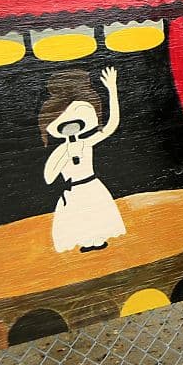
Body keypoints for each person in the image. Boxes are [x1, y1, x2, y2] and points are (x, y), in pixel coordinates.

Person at [41, 67, 126, 252]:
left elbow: (111, 126)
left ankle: (98, 240)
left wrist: (112, 90)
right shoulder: (60, 150)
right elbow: (48, 177)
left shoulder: (87, 142)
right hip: (73, 190)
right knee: (79, 217)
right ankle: (87, 242)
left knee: (97, 213)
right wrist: (66, 153)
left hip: (92, 185)